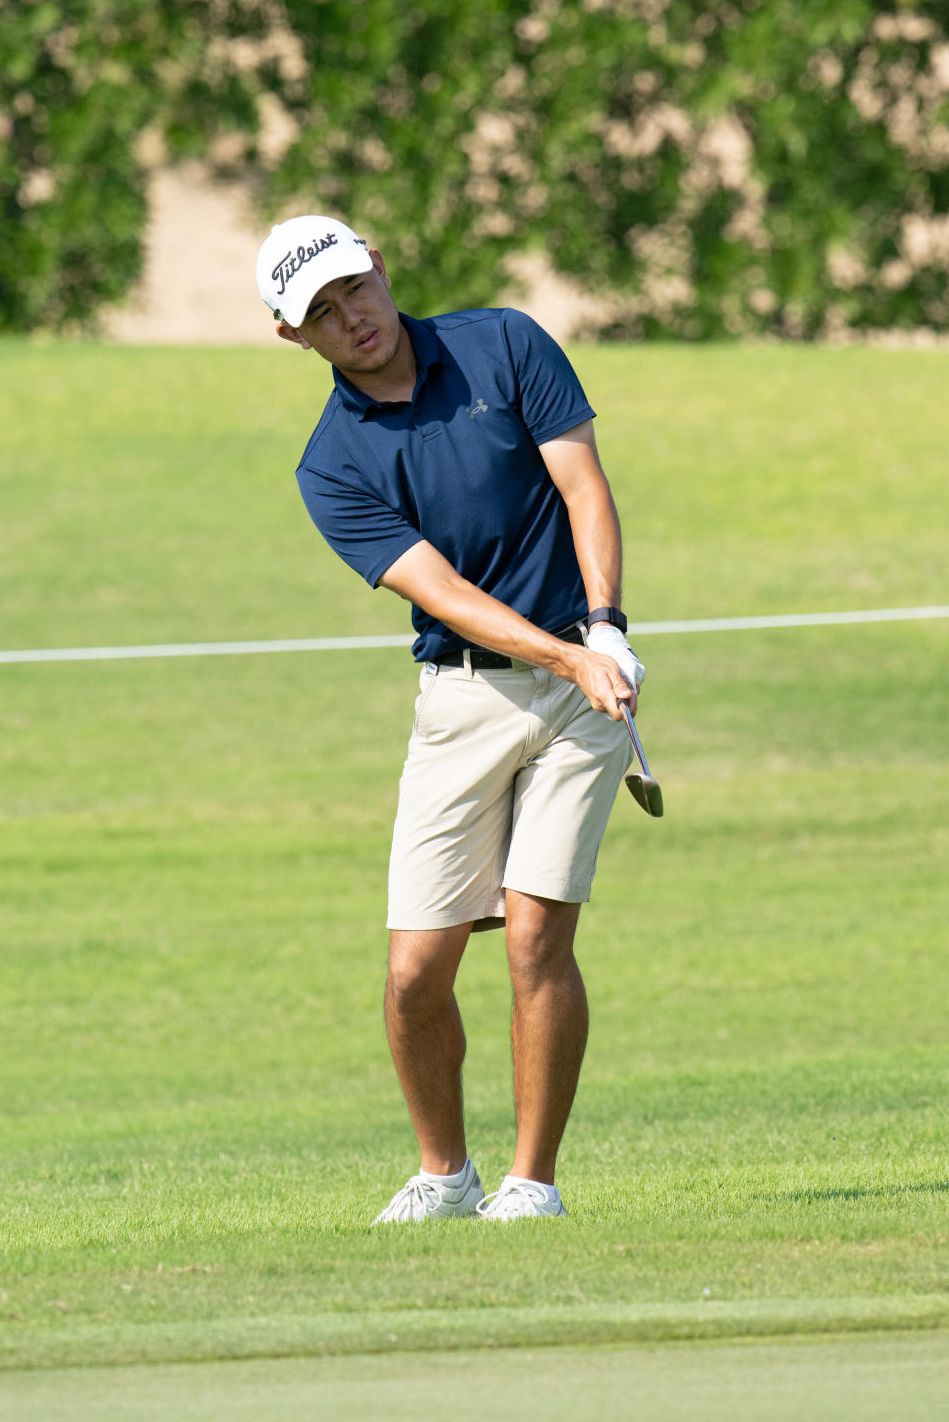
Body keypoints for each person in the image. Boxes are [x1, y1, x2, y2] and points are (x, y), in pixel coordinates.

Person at [256, 215, 647, 1223]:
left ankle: (533, 1185)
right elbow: (442, 593)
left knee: (532, 942)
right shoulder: (329, 466)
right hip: (463, 699)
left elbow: (584, 484)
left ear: (381, 267)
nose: (353, 320)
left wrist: (602, 627)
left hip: (580, 692)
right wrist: (569, 653)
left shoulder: (506, 345)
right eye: (323, 315)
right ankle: (445, 1175)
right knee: (413, 973)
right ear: (293, 337)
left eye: (356, 291)